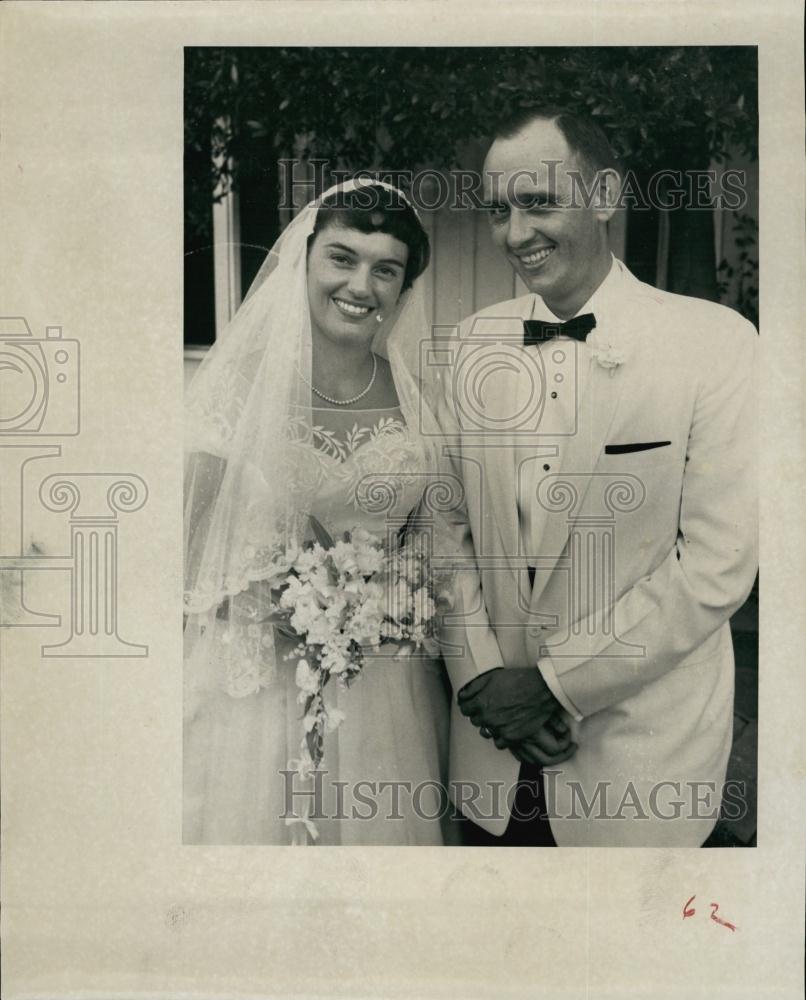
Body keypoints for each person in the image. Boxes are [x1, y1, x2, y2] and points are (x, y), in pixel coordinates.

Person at [438, 108, 758, 847]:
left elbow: (718, 564)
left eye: (539, 202)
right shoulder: (470, 343)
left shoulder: (714, 344)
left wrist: (553, 686)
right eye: (498, 210)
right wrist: (481, 681)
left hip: (638, 760)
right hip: (493, 758)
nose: (516, 234)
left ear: (606, 195)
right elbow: (444, 530)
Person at [183, 180, 455, 845]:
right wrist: (262, 599)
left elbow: (435, 551)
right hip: (253, 683)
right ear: (303, 262)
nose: (362, 285)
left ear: (403, 288)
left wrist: (390, 601)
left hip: (383, 688)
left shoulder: (418, 400)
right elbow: (186, 550)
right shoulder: (237, 389)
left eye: (385, 269)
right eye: (343, 257)